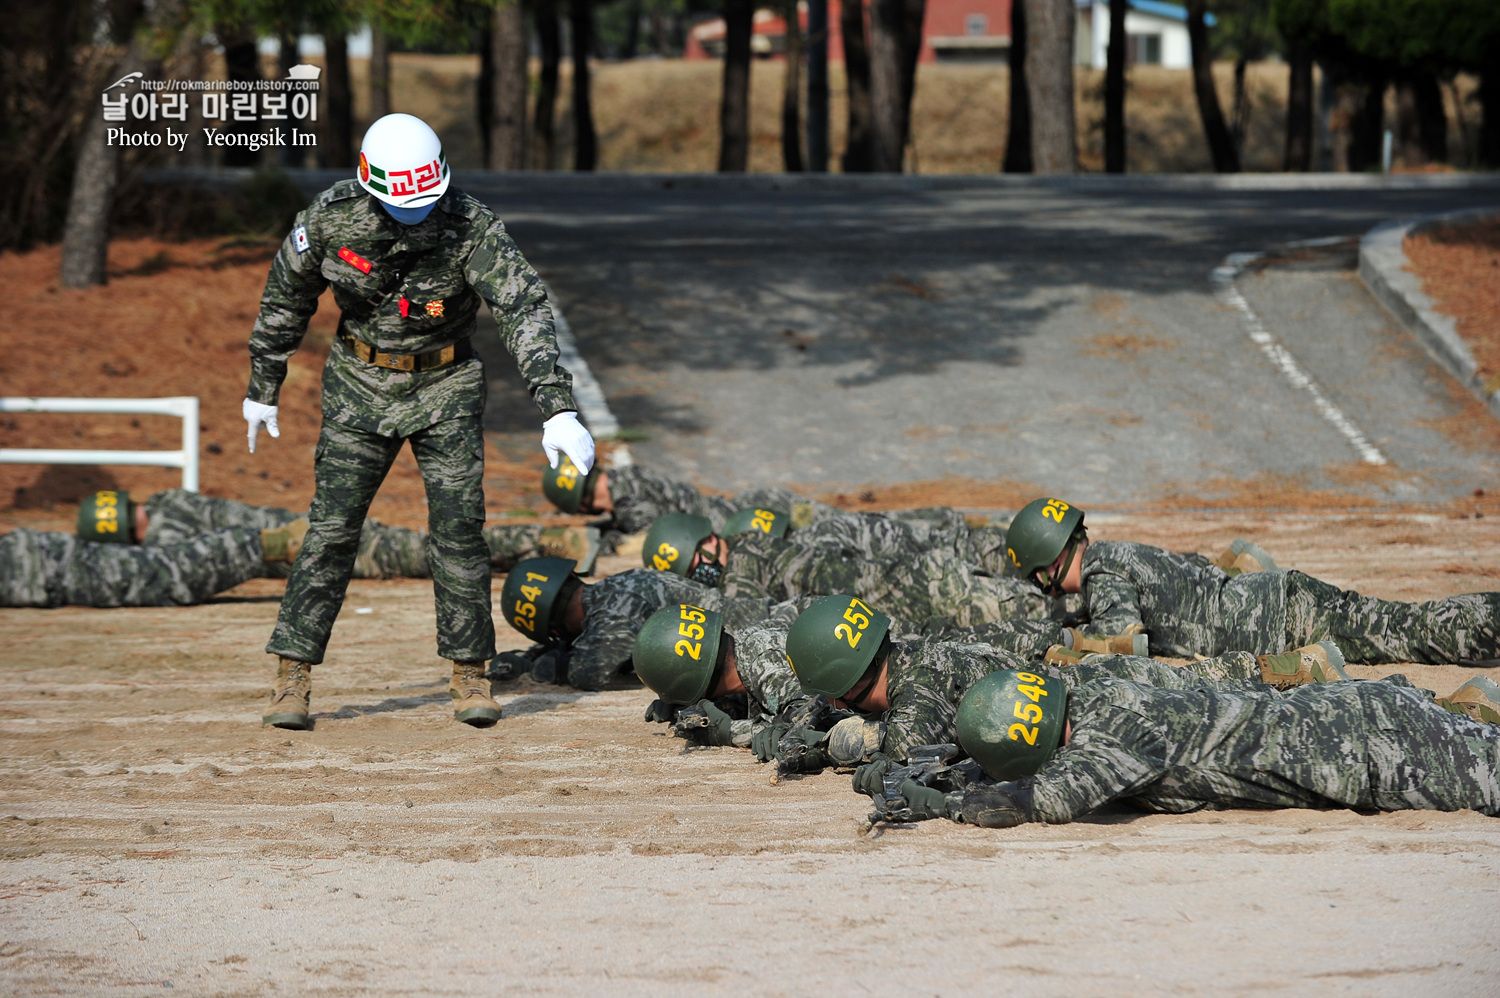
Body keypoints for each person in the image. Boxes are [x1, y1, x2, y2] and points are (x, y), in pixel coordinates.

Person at [242, 112, 595, 731]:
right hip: (359, 386)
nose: (414, 213)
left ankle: (470, 675)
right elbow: (286, 295)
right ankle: (291, 678)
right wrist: (263, 385)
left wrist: (557, 406)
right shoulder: (329, 217)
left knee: (460, 531)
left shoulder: (470, 224)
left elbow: (522, 306)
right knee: (330, 531)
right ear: (369, 183)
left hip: (446, 384)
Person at [871, 669, 1500, 828]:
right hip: (1355, 711)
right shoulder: (1102, 693)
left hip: (1371, 755)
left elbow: (1045, 800)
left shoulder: (1109, 743)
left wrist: (939, 804)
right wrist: (954, 766)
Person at [1004, 496, 1500, 665]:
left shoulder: (1100, 571)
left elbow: (1124, 639)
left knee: (1415, 633)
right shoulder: (1122, 552)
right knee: (1403, 624)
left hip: (1283, 623)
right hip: (1281, 603)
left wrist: (1067, 644)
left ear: (1048, 563)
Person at [542, 457, 1015, 572]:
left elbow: (640, 536)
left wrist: (595, 538)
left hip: (768, 517)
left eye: (592, 497)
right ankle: (955, 524)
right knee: (878, 531)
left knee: (878, 533)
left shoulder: (629, 497)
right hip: (760, 511)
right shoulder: (628, 480)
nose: (600, 503)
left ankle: (960, 526)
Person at [641, 511, 1052, 628]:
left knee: (1047, 609)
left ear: (707, 544)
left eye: (696, 564)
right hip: (915, 586)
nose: (700, 574)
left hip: (921, 588)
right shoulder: (752, 546)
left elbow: (739, 617)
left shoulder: (746, 562)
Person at [75, 489, 600, 578]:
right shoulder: (172, 499)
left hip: (316, 548)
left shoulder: (166, 537)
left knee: (435, 554)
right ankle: (551, 542)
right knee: (436, 548)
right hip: (316, 520)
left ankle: (557, 542)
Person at [0, 517, 308, 608]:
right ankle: (283, 542)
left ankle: (286, 542)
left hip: (33, 567)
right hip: (35, 567)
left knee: (160, 574)